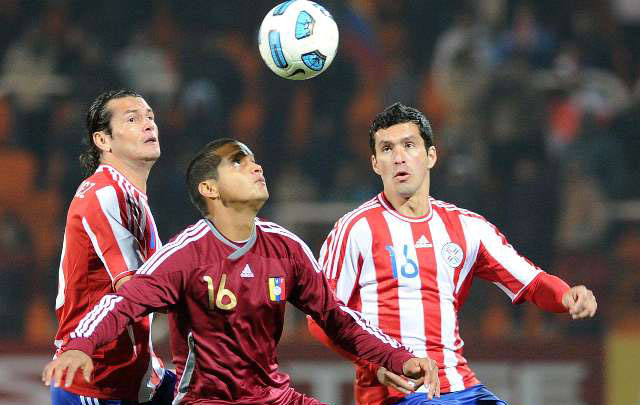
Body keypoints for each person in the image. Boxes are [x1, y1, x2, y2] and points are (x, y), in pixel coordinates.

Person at [42, 138, 441, 405]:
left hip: (276, 397)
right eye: (239, 162)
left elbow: (336, 318)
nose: (256, 167)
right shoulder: (187, 256)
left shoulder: (286, 248)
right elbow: (123, 304)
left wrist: (396, 356)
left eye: (253, 160)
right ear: (209, 189)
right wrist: (79, 343)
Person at [308, 102, 597, 405]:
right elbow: (320, 317)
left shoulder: (467, 227)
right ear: (375, 163)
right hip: (398, 394)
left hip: (462, 387)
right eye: (387, 149)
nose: (398, 158)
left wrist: (567, 296)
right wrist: (375, 364)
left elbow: (532, 282)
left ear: (431, 155)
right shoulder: (355, 229)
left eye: (409, 145)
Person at [50, 89, 175, 405]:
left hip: (137, 374)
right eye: (132, 119)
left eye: (150, 117)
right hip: (98, 382)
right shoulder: (104, 193)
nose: (148, 125)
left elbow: (164, 282)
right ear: (103, 141)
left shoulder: (130, 195)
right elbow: (136, 289)